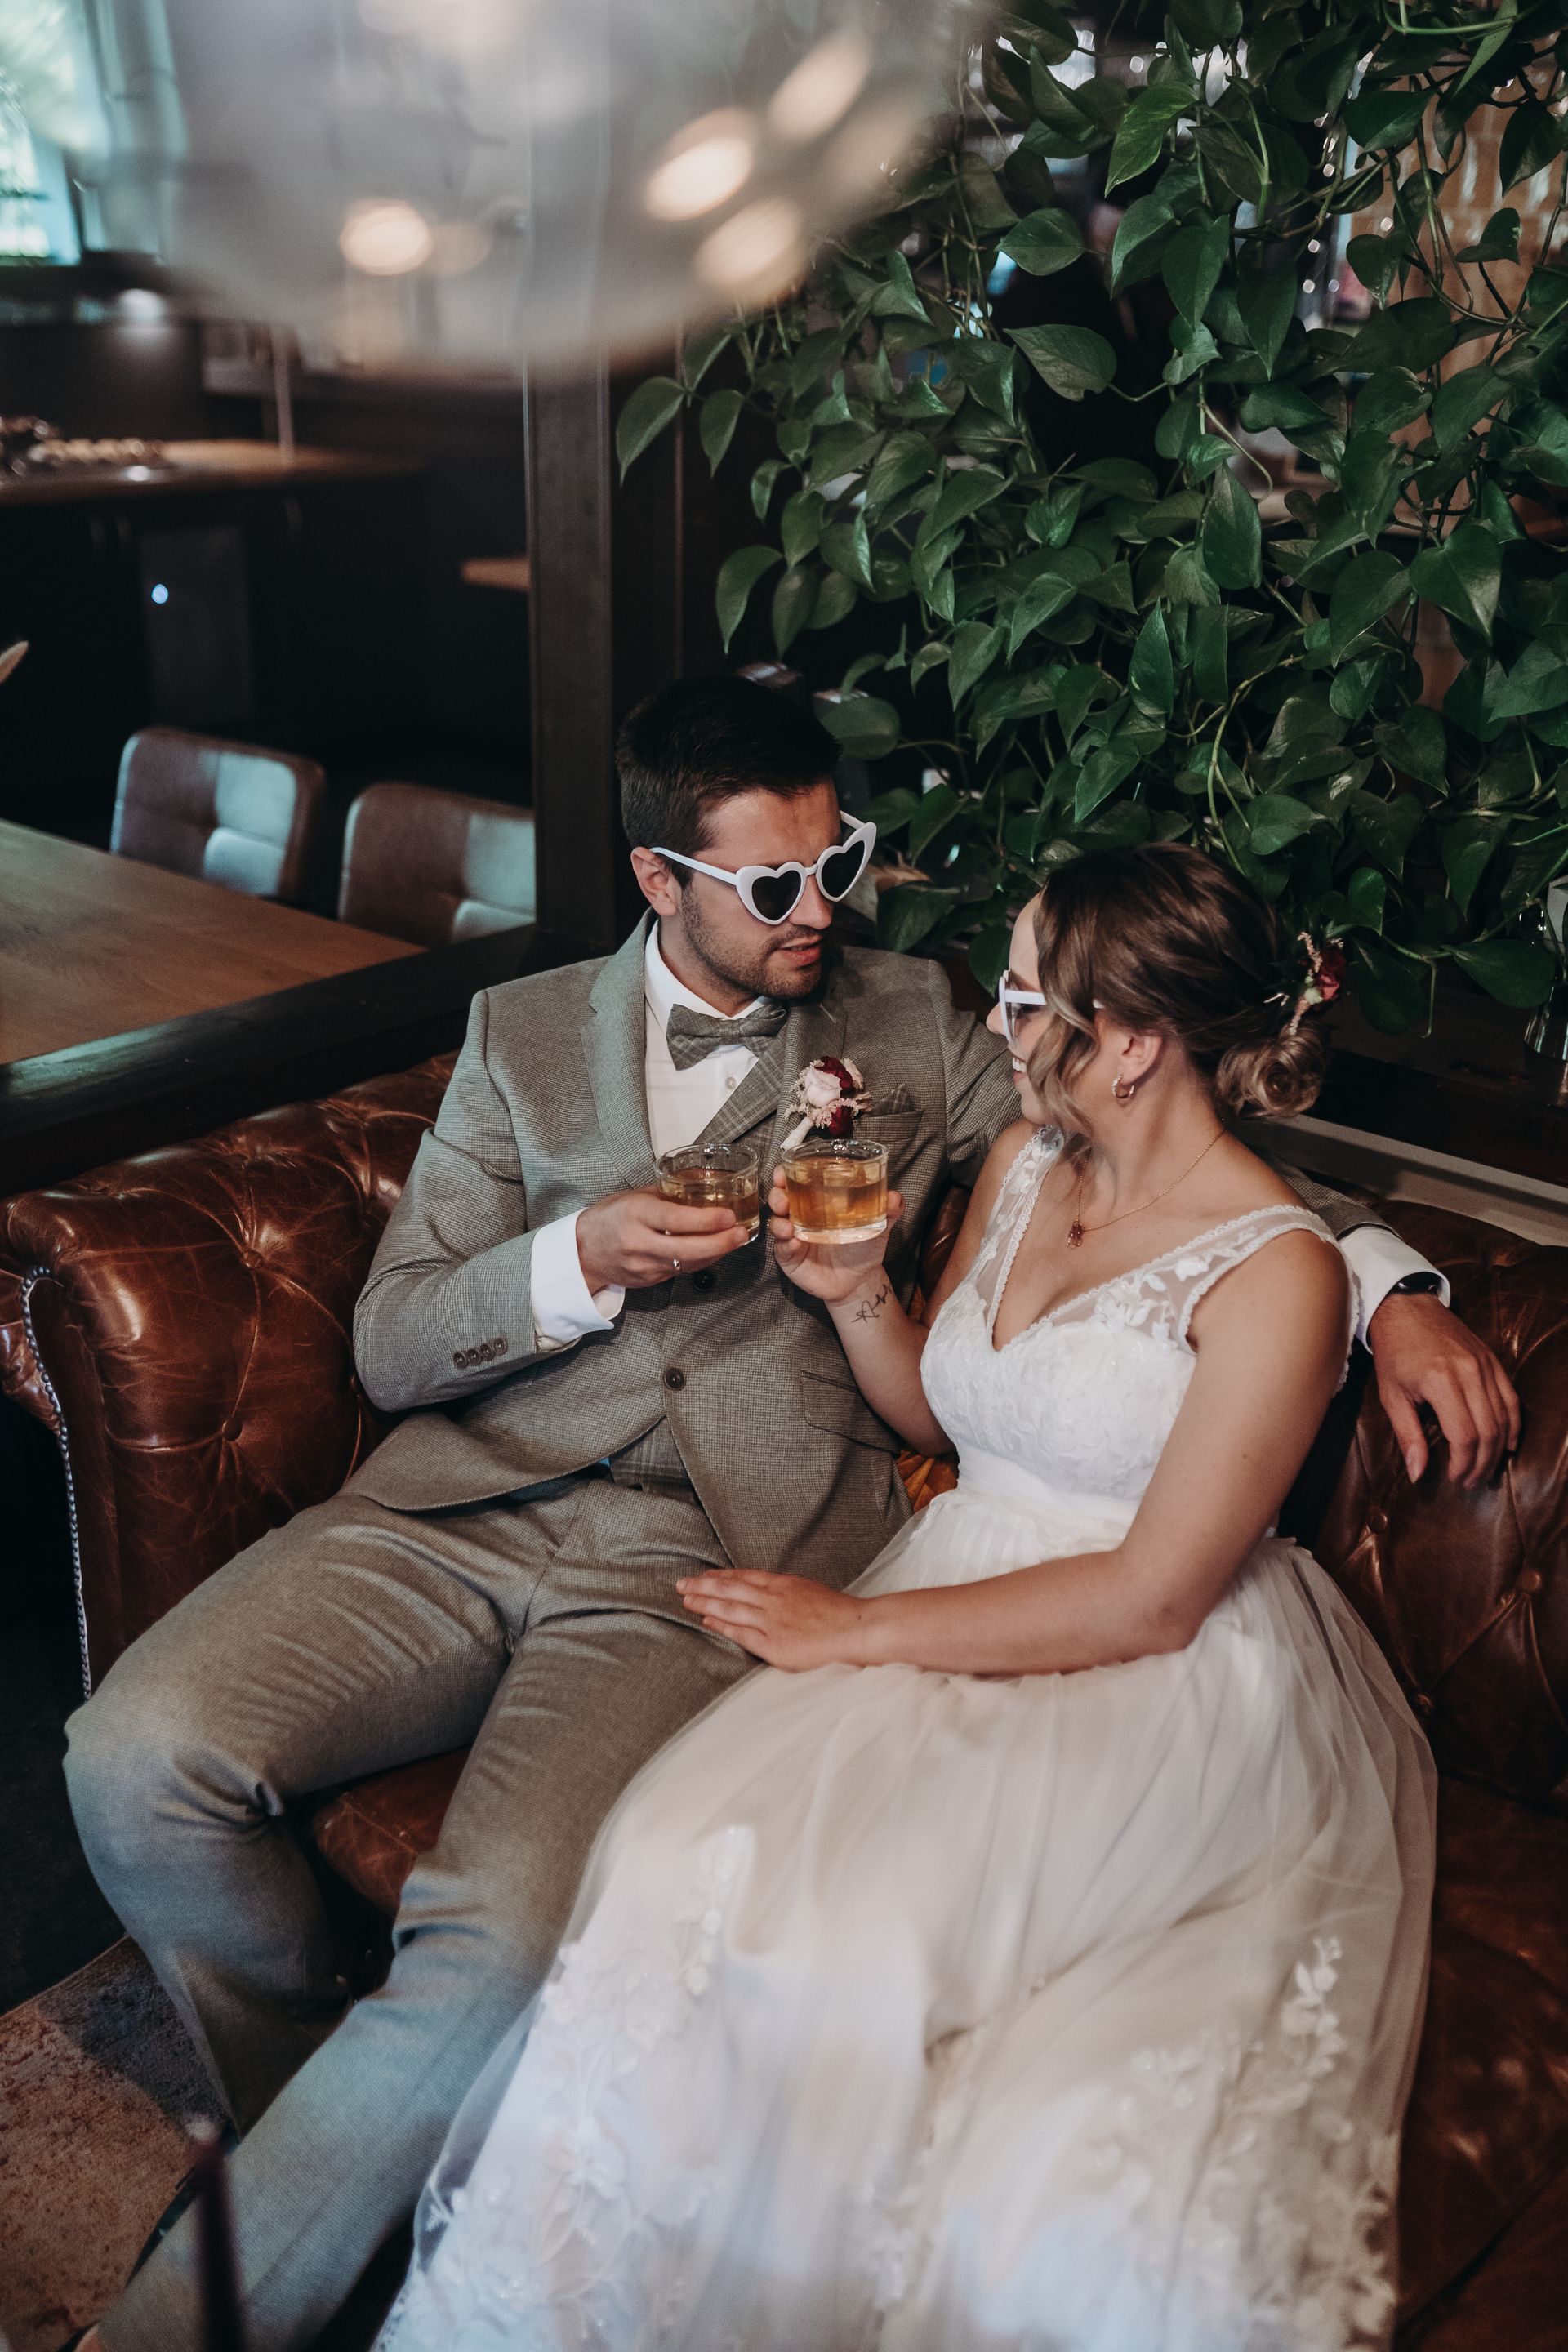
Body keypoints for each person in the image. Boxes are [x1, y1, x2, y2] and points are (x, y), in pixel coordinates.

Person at [62, 681, 1508, 2352]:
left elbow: (1178, 1136)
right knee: (131, 1764)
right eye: (773, 885)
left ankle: (197, 2307)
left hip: (714, 1553)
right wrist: (572, 1261)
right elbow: (392, 1339)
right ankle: (335, 2138)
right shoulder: (519, 1036)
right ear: (658, 878)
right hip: (460, 1506)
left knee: (513, 1934)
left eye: (841, 862)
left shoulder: (919, 1020)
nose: (821, 909)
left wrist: (1392, 1287)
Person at [376, 844, 1441, 2351]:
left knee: (861, 1951)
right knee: (677, 1854)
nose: (998, 1023)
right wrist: (860, 1293)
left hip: (1139, 1669)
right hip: (952, 1579)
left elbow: (1152, 1597)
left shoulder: (1280, 1275)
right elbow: (952, 1417)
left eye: (1027, 999)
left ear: (1135, 1041)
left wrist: (854, 1628)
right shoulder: (1028, 1166)